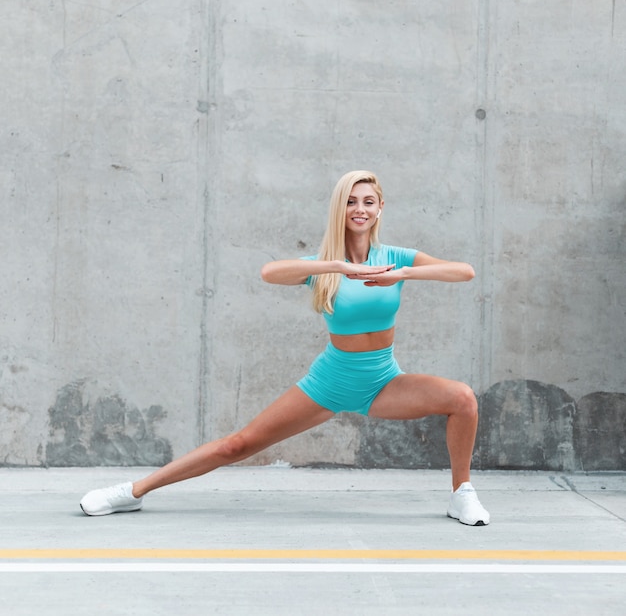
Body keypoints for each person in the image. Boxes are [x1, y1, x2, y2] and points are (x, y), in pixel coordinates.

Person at [80, 170, 490, 526]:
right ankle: (133, 491)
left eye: (368, 201)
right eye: (350, 202)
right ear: (340, 209)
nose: (359, 209)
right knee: (237, 445)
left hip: (382, 381)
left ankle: (461, 493)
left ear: (380, 207)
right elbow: (269, 272)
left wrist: (402, 273)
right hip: (331, 380)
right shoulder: (322, 265)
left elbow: (464, 271)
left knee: (462, 399)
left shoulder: (395, 258)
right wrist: (337, 267)